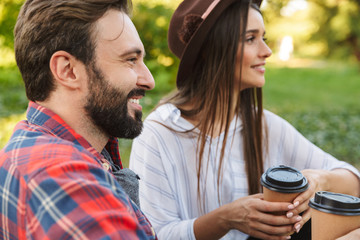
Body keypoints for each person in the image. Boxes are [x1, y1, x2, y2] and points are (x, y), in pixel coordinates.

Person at [129, 0, 360, 239]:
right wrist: (225, 218)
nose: (267, 51)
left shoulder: (262, 126)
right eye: (251, 39)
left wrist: (320, 180)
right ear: (211, 48)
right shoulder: (159, 133)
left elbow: (353, 183)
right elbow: (153, 233)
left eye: (264, 38)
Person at [0, 0, 157, 239]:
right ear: (68, 70)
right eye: (130, 60)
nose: (149, 80)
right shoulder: (70, 184)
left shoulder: (22, 146)